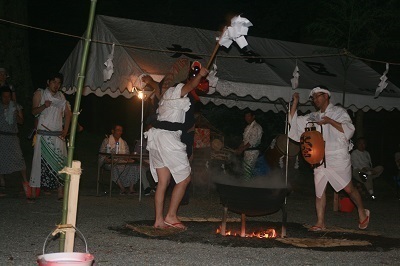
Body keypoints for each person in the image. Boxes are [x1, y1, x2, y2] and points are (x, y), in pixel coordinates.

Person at [288, 85, 370, 230]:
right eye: (313, 98)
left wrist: (329, 121)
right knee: (319, 191)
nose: (314, 100)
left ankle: (362, 210)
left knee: (349, 189)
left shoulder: (339, 112)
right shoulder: (314, 116)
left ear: (326, 96)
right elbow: (294, 123)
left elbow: (349, 130)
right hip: (319, 157)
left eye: (317, 96)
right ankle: (320, 222)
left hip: (338, 156)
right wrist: (295, 102)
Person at [144, 64, 208, 229]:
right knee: (185, 178)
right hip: (167, 139)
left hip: (156, 138)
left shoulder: (166, 96)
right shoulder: (177, 89)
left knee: (163, 182)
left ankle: (158, 220)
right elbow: (191, 85)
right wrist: (200, 74)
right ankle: (171, 216)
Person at [29, 73, 71, 202]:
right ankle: (34, 192)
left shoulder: (61, 96)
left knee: (60, 162)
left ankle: (60, 192)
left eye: (58, 83)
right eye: (54, 82)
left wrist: (65, 130)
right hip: (43, 134)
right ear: (48, 82)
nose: (56, 85)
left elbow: (68, 114)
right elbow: (33, 111)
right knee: (38, 163)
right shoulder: (40, 93)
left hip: (57, 135)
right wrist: (44, 106)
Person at [98, 124, 152, 195]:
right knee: (115, 166)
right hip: (110, 162)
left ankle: (131, 188)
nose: (120, 132)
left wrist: (128, 159)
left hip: (122, 161)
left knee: (134, 166)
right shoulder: (106, 141)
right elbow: (101, 153)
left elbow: (127, 154)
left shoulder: (124, 142)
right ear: (113, 131)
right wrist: (105, 159)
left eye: (121, 130)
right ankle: (122, 188)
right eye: (118, 130)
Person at [0, 87, 28, 195]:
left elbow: (21, 122)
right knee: (1, 159)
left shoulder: (15, 106)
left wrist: (16, 114)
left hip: (13, 137)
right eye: (4, 96)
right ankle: (2, 184)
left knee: (19, 158)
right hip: (2, 136)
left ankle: (25, 181)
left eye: (9, 96)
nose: (7, 98)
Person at [234, 110, 263, 180]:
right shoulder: (248, 127)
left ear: (253, 116)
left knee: (248, 171)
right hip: (247, 152)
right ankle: (248, 185)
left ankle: (248, 186)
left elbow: (252, 141)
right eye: (245, 116)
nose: (246, 118)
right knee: (246, 171)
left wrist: (241, 149)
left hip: (253, 153)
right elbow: (245, 141)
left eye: (248, 116)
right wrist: (239, 148)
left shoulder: (256, 127)